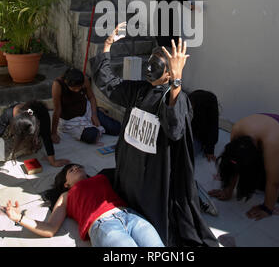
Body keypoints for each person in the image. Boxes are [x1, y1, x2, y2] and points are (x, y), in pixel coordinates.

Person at [90, 23, 219, 247]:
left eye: (156, 66)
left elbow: (176, 127)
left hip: (154, 178)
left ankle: (197, 195)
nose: (148, 70)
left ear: (169, 72)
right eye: (148, 64)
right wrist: (107, 46)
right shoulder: (139, 91)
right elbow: (108, 82)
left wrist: (177, 81)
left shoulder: (177, 98)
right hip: (131, 168)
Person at [1, 163, 164, 247]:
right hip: (104, 226)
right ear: (66, 184)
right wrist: (19, 218)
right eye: (70, 170)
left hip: (130, 216)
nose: (75, 167)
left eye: (77, 166)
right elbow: (49, 229)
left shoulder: (102, 177)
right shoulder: (66, 196)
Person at [208, 113, 279, 220]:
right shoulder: (237, 130)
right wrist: (228, 190)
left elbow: (275, 182)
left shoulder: (271, 143)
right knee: (258, 181)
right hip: (275, 135)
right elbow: (234, 163)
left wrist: (267, 208)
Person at [51, 68, 120, 145]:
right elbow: (57, 110)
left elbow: (91, 97)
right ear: (67, 83)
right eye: (74, 89)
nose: (77, 90)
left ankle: (98, 111)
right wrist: (54, 133)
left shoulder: (84, 80)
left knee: (116, 128)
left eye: (79, 88)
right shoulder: (57, 85)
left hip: (87, 111)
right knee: (92, 136)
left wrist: (94, 115)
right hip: (71, 121)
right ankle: (96, 119)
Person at [0, 100, 69, 167]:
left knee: (35, 146)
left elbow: (46, 136)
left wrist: (53, 161)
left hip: (30, 132)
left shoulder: (42, 113)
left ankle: (29, 141)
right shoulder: (8, 114)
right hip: (11, 133)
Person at [188, 89, 219, 162]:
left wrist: (209, 150)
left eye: (192, 105)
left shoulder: (207, 117)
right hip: (186, 132)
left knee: (188, 153)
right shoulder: (187, 104)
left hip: (198, 136)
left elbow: (213, 130)